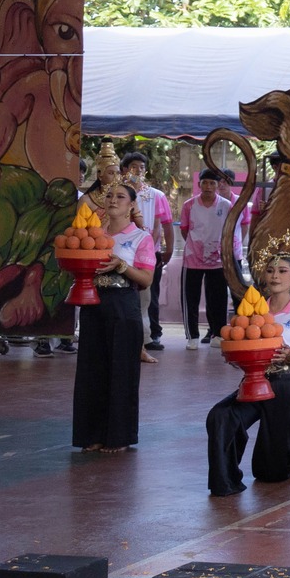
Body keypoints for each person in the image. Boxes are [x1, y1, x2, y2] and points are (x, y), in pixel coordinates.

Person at [206, 244, 290, 495]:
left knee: (271, 473)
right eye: (270, 270)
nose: (275, 276)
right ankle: (225, 482)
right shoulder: (253, 311)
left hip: (284, 384)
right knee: (221, 416)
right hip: (253, 383)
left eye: (283, 271)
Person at [72, 180, 154, 453]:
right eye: (109, 196)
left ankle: (118, 437)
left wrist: (122, 266)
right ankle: (91, 434)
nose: (113, 200)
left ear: (132, 205)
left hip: (123, 303)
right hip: (94, 302)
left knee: (122, 370)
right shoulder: (91, 233)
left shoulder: (141, 237)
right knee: (91, 369)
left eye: (120, 196)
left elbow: (146, 279)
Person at [122, 153, 174, 357]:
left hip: (148, 255)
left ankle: (151, 336)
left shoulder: (156, 195)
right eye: (133, 167)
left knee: (149, 297)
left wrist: (168, 250)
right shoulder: (117, 193)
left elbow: (167, 224)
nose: (138, 171)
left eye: (142, 167)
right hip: (122, 254)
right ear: (124, 170)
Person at [179, 168, 231, 346]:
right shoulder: (189, 205)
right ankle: (192, 336)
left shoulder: (226, 205)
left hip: (217, 261)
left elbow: (229, 231)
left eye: (212, 183)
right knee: (190, 299)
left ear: (218, 185)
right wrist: (196, 247)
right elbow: (184, 230)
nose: (208, 186)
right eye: (205, 182)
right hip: (192, 260)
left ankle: (218, 334)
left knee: (218, 298)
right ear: (199, 184)